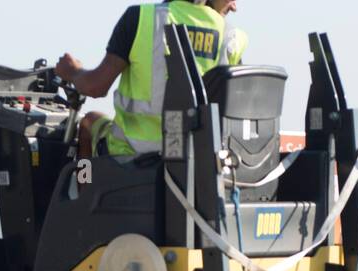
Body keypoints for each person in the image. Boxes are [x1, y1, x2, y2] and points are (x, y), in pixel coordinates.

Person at [56, 0, 247, 158]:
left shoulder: (140, 18)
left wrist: (72, 71)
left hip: (132, 153)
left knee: (88, 123)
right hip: (196, 159)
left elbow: (95, 87)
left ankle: (85, 188)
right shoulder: (232, 37)